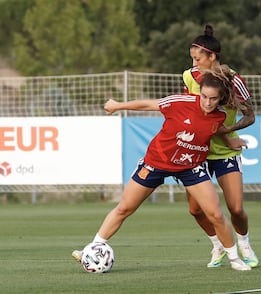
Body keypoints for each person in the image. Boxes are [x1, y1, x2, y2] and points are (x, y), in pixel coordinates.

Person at [72, 65, 251, 271]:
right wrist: (117, 105)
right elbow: (148, 105)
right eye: (204, 97)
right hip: (156, 162)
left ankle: (234, 259)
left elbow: (214, 128)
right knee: (124, 208)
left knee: (216, 214)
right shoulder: (179, 102)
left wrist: (229, 141)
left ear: (220, 98)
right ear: (199, 92)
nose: (208, 102)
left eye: (213, 98)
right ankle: (94, 247)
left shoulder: (219, 115)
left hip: (190, 166)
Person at [182, 25, 258, 268]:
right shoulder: (189, 77)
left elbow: (250, 116)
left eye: (198, 58)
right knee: (195, 210)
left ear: (212, 56)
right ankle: (217, 245)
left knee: (235, 208)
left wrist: (226, 130)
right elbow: (187, 110)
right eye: (192, 58)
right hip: (198, 151)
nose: (194, 63)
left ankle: (244, 244)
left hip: (225, 151)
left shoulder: (233, 80)